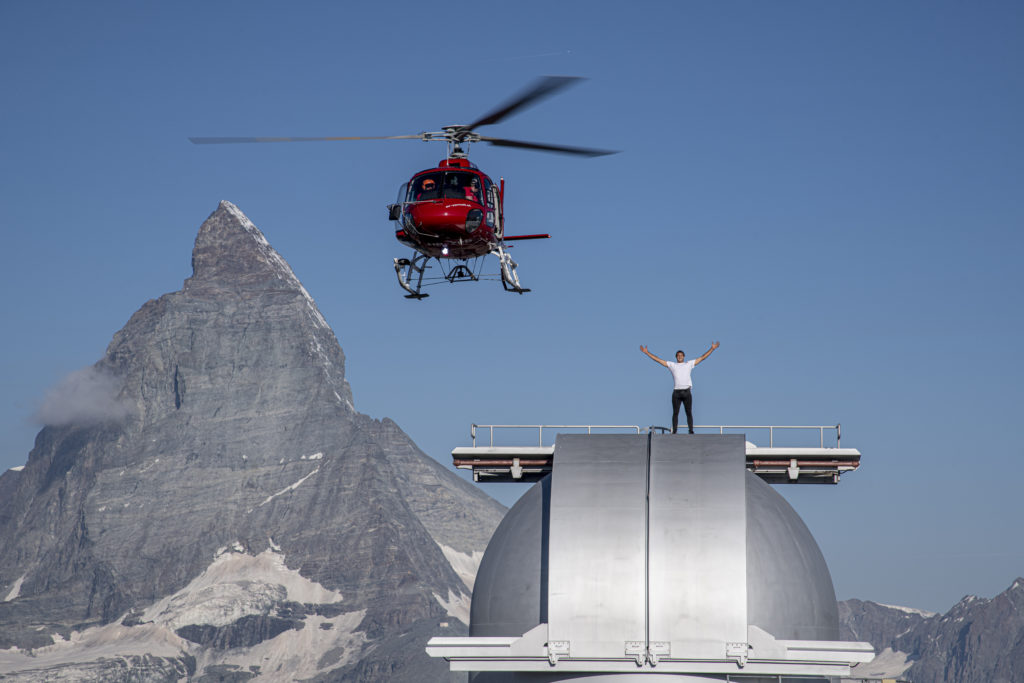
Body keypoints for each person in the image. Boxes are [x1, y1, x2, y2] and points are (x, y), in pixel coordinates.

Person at [640, 341, 720, 434]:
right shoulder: (672, 365)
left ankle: (691, 431)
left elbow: (702, 357)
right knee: (675, 413)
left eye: (681, 355)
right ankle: (675, 431)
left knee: (688, 412)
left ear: (684, 356)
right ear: (676, 357)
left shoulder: (689, 364)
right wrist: (647, 352)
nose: (680, 356)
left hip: (687, 392)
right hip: (676, 393)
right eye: (678, 355)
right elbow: (658, 360)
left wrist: (712, 349)